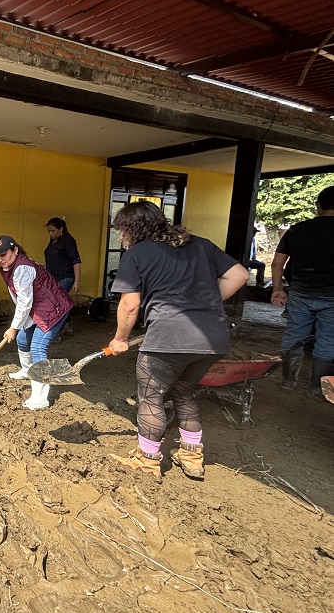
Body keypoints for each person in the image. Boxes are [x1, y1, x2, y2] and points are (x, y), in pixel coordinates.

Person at [106, 201, 248, 479]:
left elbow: (130, 305)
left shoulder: (136, 254)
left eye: (122, 230)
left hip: (169, 338)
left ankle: (147, 460)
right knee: (183, 392)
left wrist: (120, 338)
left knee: (151, 396)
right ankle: (192, 456)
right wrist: (205, 303)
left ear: (132, 229)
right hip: (213, 339)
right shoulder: (200, 244)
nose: (121, 237)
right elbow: (239, 275)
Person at [0, 235, 73, 410]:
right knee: (22, 340)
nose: (0, 259)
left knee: (37, 347)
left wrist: (13, 327)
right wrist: (18, 326)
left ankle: (40, 398)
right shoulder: (12, 266)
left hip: (54, 308)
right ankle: (28, 371)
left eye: (3, 254)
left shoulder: (22, 269)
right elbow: (23, 299)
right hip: (39, 306)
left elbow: (24, 302)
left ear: (15, 250)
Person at [271, 185, 334, 397]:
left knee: (294, 335)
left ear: (318, 205)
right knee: (328, 340)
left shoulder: (297, 229)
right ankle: (318, 388)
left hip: (300, 292)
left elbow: (277, 263)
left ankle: (288, 381)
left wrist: (278, 288)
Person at [43, 217, 82, 294]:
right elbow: (55, 259)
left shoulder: (68, 241)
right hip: (52, 278)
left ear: (61, 229)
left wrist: (77, 281)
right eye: (49, 231)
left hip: (65, 277)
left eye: (53, 231)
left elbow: (76, 261)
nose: (50, 234)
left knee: (58, 297)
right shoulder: (53, 241)